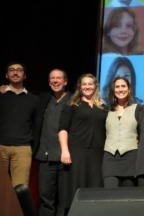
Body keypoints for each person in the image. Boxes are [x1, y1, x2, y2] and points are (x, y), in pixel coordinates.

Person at [0, 62, 39, 187]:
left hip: (22, 149)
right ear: (6, 75)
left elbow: (36, 126)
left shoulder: (34, 99)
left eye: (19, 70)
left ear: (24, 75)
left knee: (20, 189)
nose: (15, 72)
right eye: (11, 70)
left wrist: (32, 149)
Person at [58, 73, 107, 215]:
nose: (87, 86)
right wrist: (64, 150)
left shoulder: (103, 106)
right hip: (77, 153)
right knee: (75, 188)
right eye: (84, 84)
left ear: (95, 86)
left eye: (90, 84)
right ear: (80, 87)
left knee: (94, 189)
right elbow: (62, 129)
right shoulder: (72, 105)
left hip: (97, 155)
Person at [33, 69, 71, 216]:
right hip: (45, 157)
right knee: (45, 197)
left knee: (64, 199)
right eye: (52, 79)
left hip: (66, 158)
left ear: (65, 81)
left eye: (59, 78)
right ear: (49, 83)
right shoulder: (43, 99)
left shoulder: (74, 100)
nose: (55, 81)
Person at [103, 77, 139, 187]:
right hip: (110, 157)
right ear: (113, 90)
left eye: (123, 86)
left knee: (127, 196)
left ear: (129, 89)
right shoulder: (106, 109)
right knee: (109, 192)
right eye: (117, 87)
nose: (120, 89)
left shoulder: (138, 109)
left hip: (131, 157)